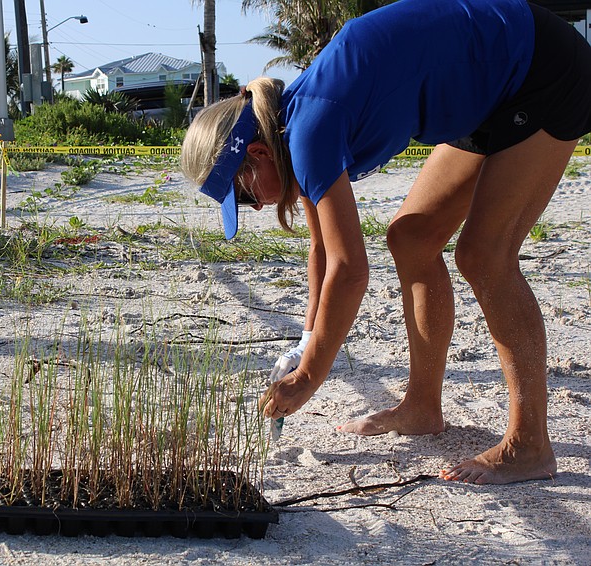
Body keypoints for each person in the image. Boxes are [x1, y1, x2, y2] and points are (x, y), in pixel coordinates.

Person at [181, 0, 591, 485]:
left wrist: (311, 376)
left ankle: (530, 445)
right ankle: (422, 406)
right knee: (412, 237)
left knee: (484, 255)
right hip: (486, 93)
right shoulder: (293, 127)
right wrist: (305, 344)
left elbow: (351, 271)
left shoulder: (309, 131)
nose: (252, 209)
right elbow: (323, 252)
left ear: (257, 153)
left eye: (244, 195)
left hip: (540, 68)